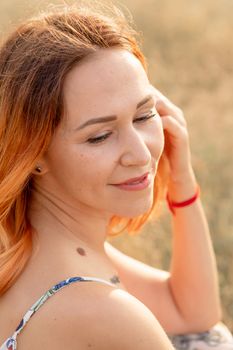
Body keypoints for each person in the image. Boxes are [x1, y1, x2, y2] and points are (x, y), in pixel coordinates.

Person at [0, 3, 232, 350]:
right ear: (32, 153)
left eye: (144, 115)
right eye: (100, 136)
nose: (140, 154)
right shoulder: (106, 313)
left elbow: (192, 312)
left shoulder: (32, 247)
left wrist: (181, 178)